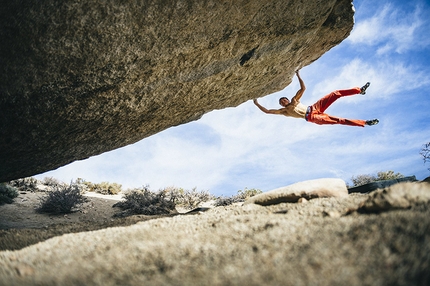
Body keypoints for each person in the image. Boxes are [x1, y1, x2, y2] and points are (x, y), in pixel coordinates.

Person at [253, 70, 379, 127]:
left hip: (314, 107)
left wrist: (298, 75)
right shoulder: (284, 111)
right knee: (339, 120)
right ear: (281, 105)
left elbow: (303, 89)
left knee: (335, 93)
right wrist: (256, 103)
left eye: (284, 100)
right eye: (281, 102)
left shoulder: (294, 100)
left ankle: (359, 90)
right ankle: (365, 122)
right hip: (312, 117)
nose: (283, 102)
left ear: (287, 99)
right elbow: (268, 111)